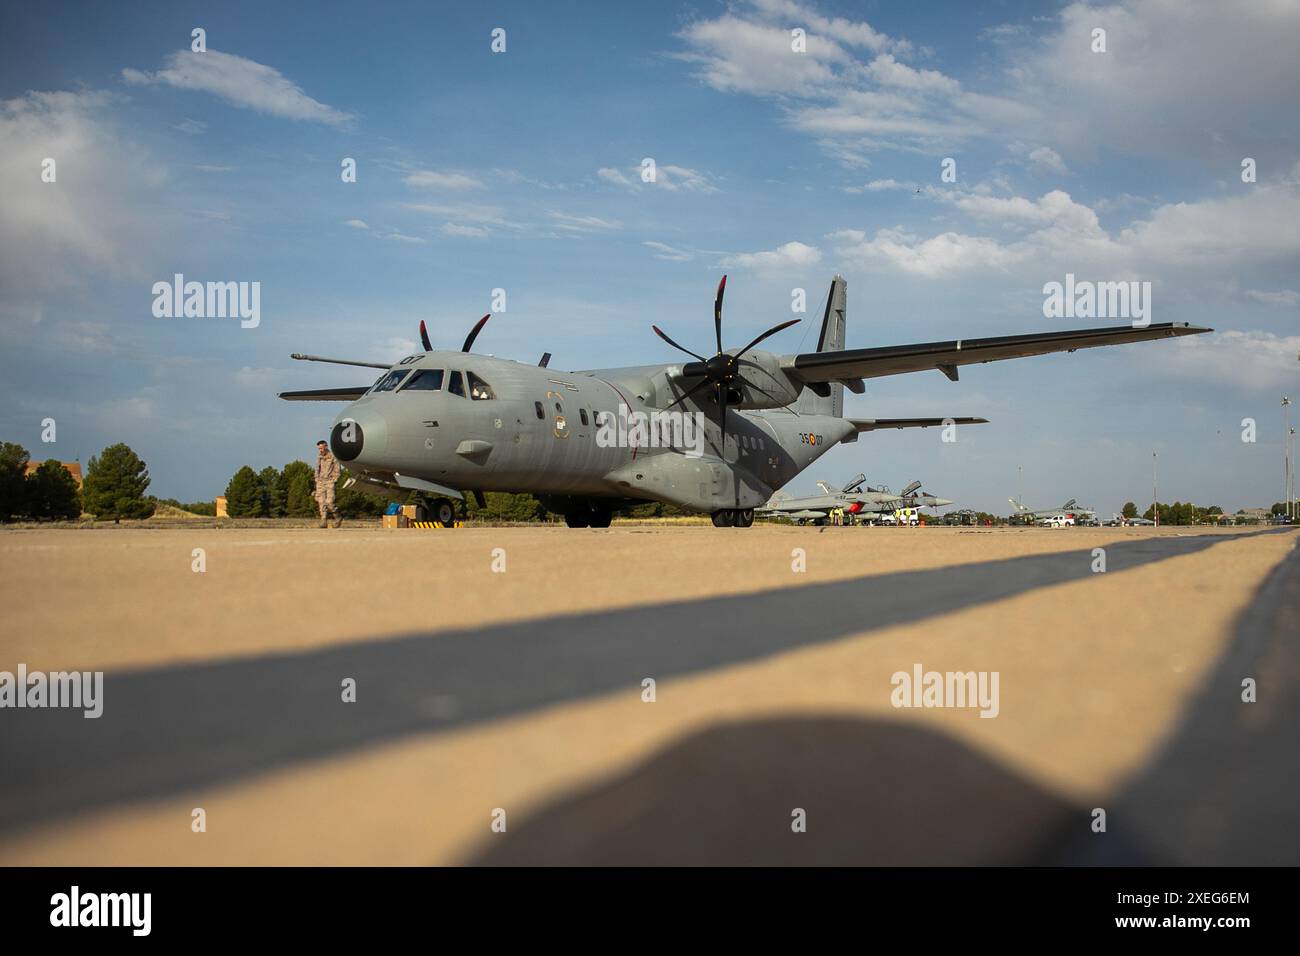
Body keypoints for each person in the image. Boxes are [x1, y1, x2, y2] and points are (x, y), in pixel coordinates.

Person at [315, 440, 341, 528]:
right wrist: (317, 479)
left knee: (329, 502)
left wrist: (334, 479)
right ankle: (323, 521)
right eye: (319, 448)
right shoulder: (319, 457)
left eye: (321, 448)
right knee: (321, 502)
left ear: (326, 447)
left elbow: (337, 469)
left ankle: (337, 517)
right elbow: (317, 469)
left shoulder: (333, 457)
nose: (320, 450)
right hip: (321, 482)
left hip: (330, 481)